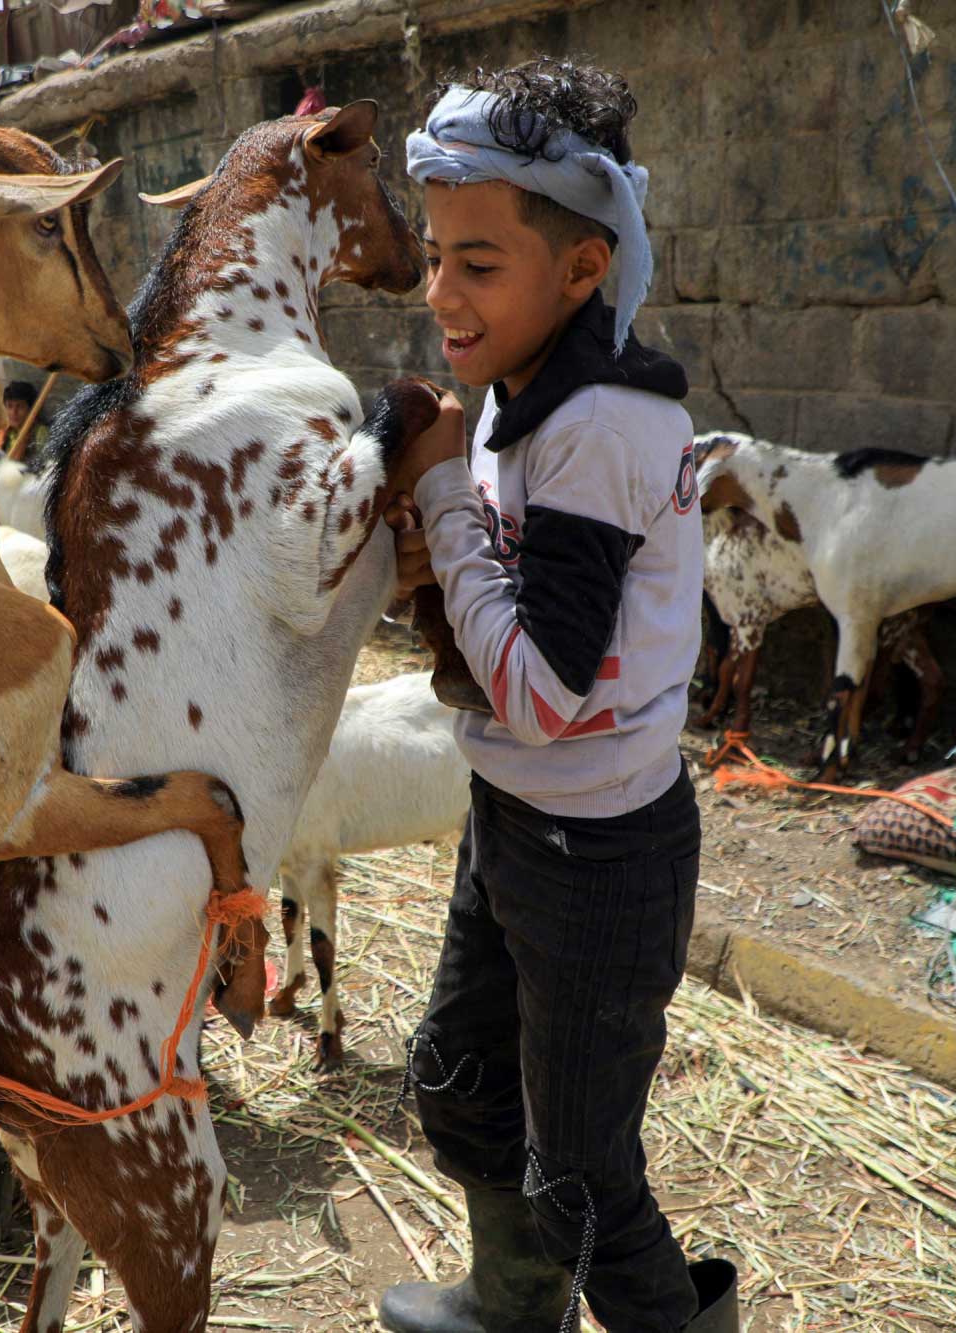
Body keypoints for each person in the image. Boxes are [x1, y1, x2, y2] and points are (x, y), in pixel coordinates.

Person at [377, 59, 733, 1333]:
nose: (439, 293)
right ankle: (510, 1305)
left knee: (581, 1180)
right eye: (434, 257)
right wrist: (433, 542)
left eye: (477, 264)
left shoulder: (595, 429)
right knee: (459, 1080)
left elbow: (536, 693)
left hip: (600, 858)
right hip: (517, 819)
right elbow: (496, 597)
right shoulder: (520, 398)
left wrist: (435, 497)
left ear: (582, 270)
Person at [0, 379, 48, 453]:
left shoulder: (40, 433)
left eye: (20, 407)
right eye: (10, 406)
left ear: (31, 410)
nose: (14, 412)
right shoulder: (7, 433)